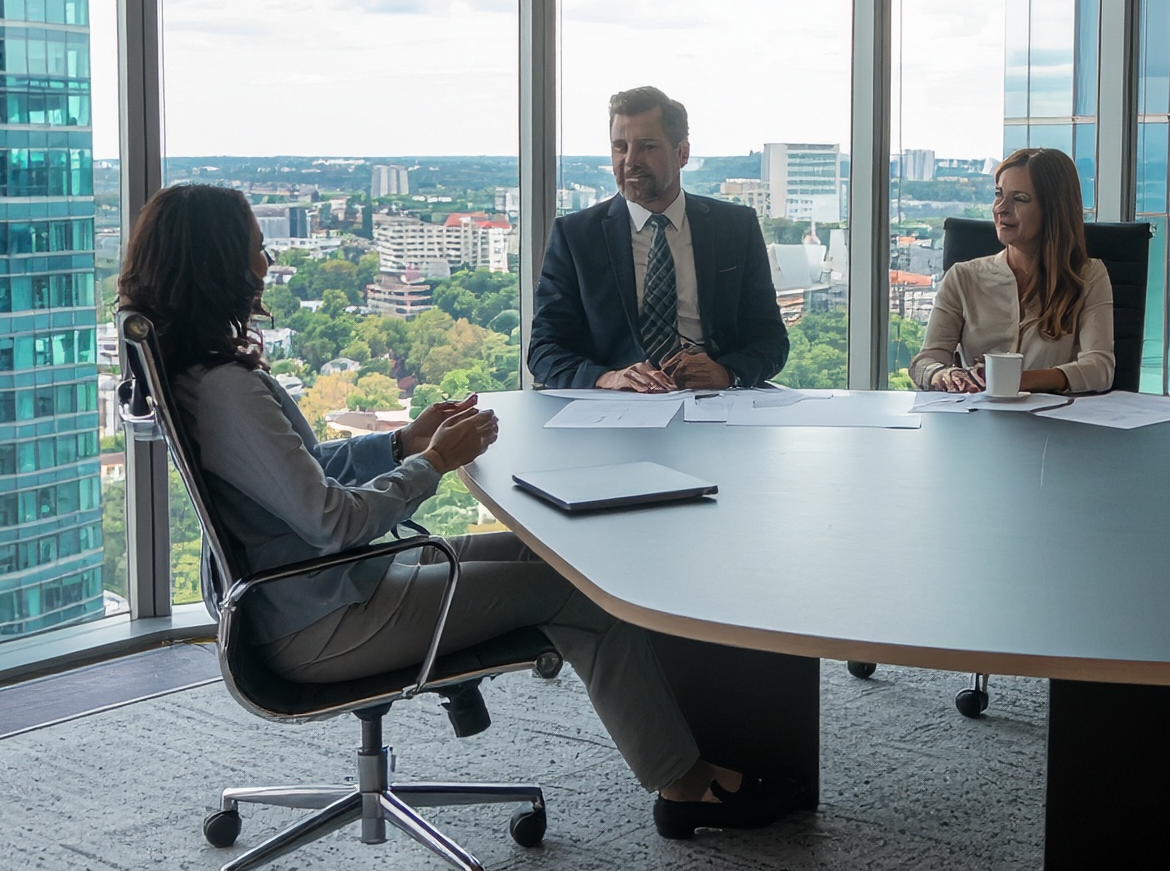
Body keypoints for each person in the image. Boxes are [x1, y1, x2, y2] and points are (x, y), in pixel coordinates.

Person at [118, 183, 790, 837]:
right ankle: (684, 784)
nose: (267, 263)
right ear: (218, 267)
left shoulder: (200, 378)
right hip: (320, 619)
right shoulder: (229, 390)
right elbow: (333, 520)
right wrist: (434, 462)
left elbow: (302, 472)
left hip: (314, 591)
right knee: (582, 594)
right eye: (255, 249)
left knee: (554, 551)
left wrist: (400, 443)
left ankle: (684, 740)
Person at [526, 86, 789, 392]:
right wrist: (608, 378)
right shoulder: (575, 236)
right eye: (620, 147)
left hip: (716, 399)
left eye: (647, 147)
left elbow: (771, 340)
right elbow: (544, 350)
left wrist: (728, 373)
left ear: (682, 153)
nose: (630, 161)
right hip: (617, 405)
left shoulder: (735, 227)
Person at [909, 148, 1114, 396]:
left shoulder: (1088, 275)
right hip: (978, 416)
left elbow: (1099, 369)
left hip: (1055, 417)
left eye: (1020, 199)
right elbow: (924, 362)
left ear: (1053, 209)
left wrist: (1015, 380)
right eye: (999, 194)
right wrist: (943, 375)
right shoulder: (962, 277)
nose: (1001, 208)